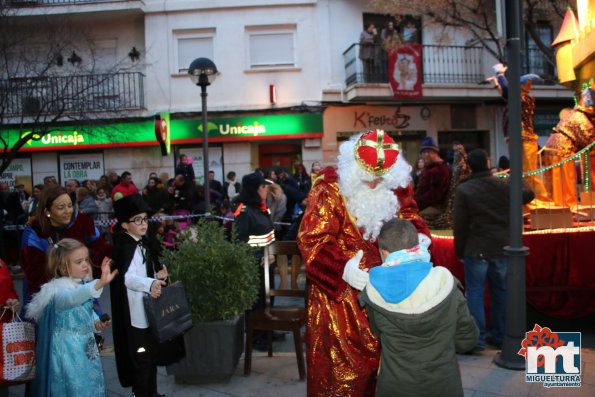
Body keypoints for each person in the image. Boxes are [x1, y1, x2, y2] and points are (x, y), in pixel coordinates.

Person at [297, 129, 430, 396]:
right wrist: (342, 268)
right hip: (339, 302)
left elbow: (410, 217)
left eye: (380, 179)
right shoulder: (329, 189)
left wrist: (420, 242)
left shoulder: (398, 186)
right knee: (341, 378)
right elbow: (312, 239)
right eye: (368, 178)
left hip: (388, 293)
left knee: (389, 375)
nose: (374, 183)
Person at [344, 218, 478, 397]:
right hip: (443, 386)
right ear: (417, 246)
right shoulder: (445, 284)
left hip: (395, 387)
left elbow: (377, 333)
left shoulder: (374, 292)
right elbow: (468, 340)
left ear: (384, 252)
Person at [453, 149, 535, 350]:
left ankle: (477, 339)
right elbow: (529, 194)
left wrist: (459, 251)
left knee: (475, 293)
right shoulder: (504, 185)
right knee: (500, 291)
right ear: (488, 163)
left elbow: (460, 225)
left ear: (470, 166)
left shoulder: (465, 190)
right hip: (501, 246)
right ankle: (500, 335)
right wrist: (517, 175)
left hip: (476, 248)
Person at [26, 238, 117, 397]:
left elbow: (85, 313)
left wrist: (96, 323)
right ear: (63, 266)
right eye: (78, 261)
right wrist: (99, 283)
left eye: (86, 260)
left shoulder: (80, 284)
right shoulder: (58, 292)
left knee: (90, 385)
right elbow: (73, 298)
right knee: (74, 388)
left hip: (85, 347)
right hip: (67, 352)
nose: (85, 265)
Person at [110, 194, 169, 397]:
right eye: (137, 220)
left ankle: (150, 392)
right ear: (125, 225)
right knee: (141, 357)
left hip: (147, 309)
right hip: (135, 313)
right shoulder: (127, 246)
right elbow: (128, 278)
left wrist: (158, 276)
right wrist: (150, 282)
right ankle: (143, 393)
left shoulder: (143, 243)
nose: (143, 224)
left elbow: (146, 273)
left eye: (144, 219)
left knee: (149, 354)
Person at [20, 186, 112, 301]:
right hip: (49, 294)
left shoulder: (82, 222)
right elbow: (35, 273)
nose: (68, 211)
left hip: (82, 289)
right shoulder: (34, 232)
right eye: (61, 207)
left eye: (70, 206)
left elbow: (100, 249)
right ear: (47, 211)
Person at [414, 136, 452, 218]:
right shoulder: (430, 168)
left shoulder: (440, 170)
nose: (426, 155)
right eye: (423, 152)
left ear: (436, 153)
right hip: (423, 205)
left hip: (433, 207)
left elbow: (434, 196)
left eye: (429, 152)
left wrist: (414, 202)